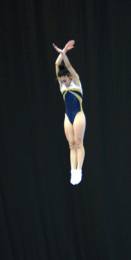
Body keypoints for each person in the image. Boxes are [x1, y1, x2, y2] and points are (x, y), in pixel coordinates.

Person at [53, 40, 86, 185]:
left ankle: (79, 170)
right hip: (68, 116)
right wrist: (62, 52)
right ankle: (73, 171)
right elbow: (57, 65)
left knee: (79, 143)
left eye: (65, 80)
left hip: (78, 115)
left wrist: (63, 53)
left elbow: (69, 66)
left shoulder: (76, 82)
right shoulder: (62, 85)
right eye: (61, 80)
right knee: (71, 145)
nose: (63, 83)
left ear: (70, 77)